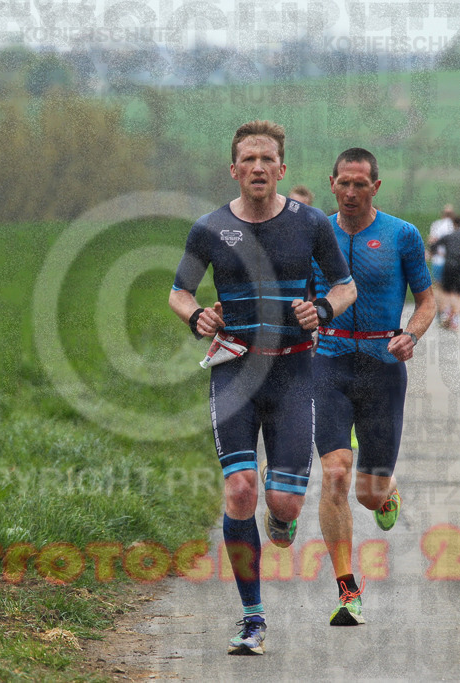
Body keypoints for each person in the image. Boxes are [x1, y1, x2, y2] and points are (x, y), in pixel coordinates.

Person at [169, 121, 356, 655]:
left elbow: (345, 286)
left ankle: (282, 516)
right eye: (247, 159)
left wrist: (319, 309)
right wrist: (198, 316)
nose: (257, 167)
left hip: (294, 373)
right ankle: (252, 617)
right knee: (240, 489)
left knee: (284, 504)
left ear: (281, 169)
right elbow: (179, 292)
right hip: (235, 370)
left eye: (266, 159)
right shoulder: (209, 228)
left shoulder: (310, 223)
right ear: (234, 170)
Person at [311, 147, 435, 626]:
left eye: (360, 184)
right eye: (343, 182)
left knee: (368, 493)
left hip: (383, 367)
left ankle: (389, 492)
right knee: (336, 474)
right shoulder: (317, 233)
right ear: (332, 181)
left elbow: (426, 301)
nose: (350, 192)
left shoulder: (402, 235)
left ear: (375, 187)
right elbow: (296, 295)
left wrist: (411, 334)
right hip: (329, 362)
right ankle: (347, 590)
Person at [430, 214, 460, 331]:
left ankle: (446, 313)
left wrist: (440, 254)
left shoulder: (448, 236)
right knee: (459, 293)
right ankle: (455, 319)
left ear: (453, 224)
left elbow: (433, 246)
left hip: (449, 265)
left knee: (447, 291)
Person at [427, 204, 455, 324]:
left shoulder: (436, 225)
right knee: (450, 288)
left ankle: (440, 311)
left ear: (442, 213)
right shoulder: (455, 226)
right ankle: (449, 312)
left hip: (438, 260)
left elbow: (431, 241)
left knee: (438, 287)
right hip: (451, 261)